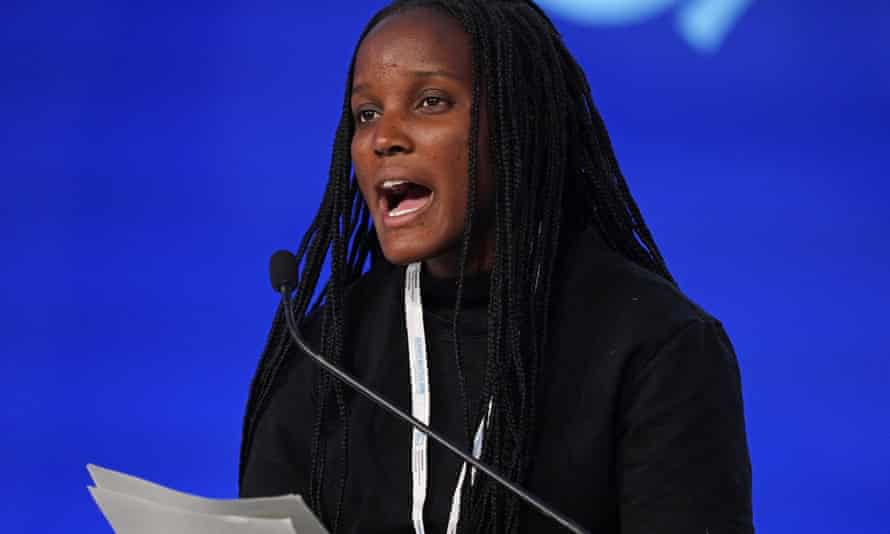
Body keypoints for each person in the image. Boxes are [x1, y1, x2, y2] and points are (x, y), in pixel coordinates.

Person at [238, 1, 753, 533]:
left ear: (517, 120)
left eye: (431, 101)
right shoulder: (326, 348)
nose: (382, 138)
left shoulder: (655, 346)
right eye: (366, 114)